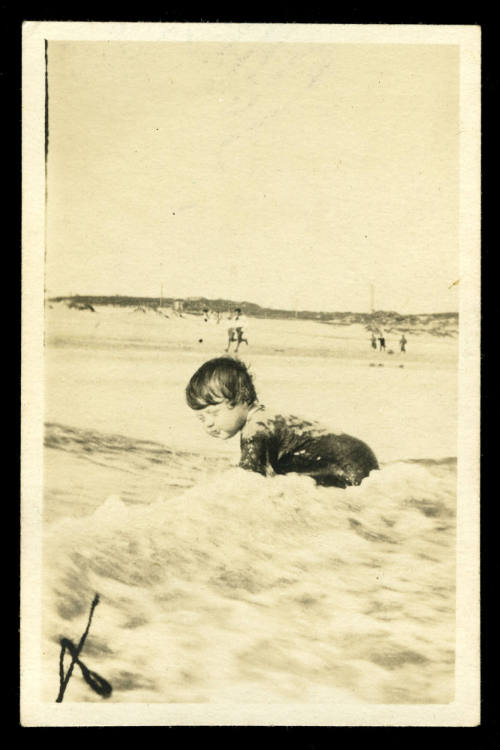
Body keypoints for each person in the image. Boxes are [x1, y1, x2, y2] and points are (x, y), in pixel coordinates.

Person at [186, 357, 379, 489]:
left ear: (241, 399)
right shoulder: (266, 418)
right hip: (357, 454)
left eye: (213, 413)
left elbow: (248, 484)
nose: (208, 424)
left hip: (348, 463)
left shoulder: (255, 429)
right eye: (201, 418)